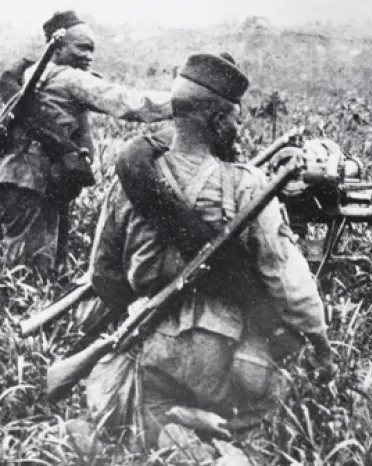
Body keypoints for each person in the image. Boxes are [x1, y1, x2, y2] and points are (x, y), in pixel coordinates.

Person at [82, 53, 335, 455]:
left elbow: (104, 274)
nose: (238, 128)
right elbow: (288, 282)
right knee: (251, 441)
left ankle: (173, 433)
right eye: (234, 118)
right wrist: (320, 346)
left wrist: (141, 314)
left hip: (153, 349)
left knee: (148, 439)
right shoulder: (249, 184)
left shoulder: (128, 185)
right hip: (229, 357)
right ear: (217, 120)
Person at [0, 10, 172, 272]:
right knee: (34, 266)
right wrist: (183, 101)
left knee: (22, 260)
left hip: (16, 177)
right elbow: (127, 102)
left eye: (92, 50)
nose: (89, 57)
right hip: (36, 179)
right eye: (82, 48)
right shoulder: (69, 78)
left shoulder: (31, 75)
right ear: (57, 49)